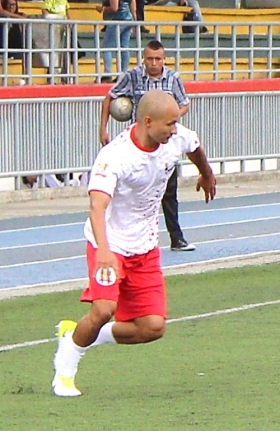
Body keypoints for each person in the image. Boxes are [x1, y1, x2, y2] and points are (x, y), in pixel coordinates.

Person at [51, 90, 217, 397]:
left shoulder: (176, 137)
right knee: (103, 310)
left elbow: (195, 147)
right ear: (148, 121)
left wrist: (206, 174)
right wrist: (103, 250)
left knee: (153, 327)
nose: (175, 128)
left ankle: (80, 334)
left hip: (145, 248)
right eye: (169, 123)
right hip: (109, 245)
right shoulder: (115, 156)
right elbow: (97, 207)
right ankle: (65, 369)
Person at [100, 40, 195, 251]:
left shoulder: (173, 79)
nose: (153, 63)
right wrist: (103, 129)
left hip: (164, 142)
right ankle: (121, 240)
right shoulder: (133, 76)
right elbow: (109, 97)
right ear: (144, 59)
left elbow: (185, 103)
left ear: (164, 59)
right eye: (150, 59)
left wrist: (170, 118)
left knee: (168, 192)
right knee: (133, 192)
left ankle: (176, 237)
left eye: (158, 59)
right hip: (139, 145)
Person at [96, 0, 136, 80]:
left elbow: (114, 8)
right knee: (124, 47)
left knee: (107, 47)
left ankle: (108, 74)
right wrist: (135, 21)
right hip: (128, 19)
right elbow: (133, 6)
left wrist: (102, 9)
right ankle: (123, 73)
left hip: (117, 19)